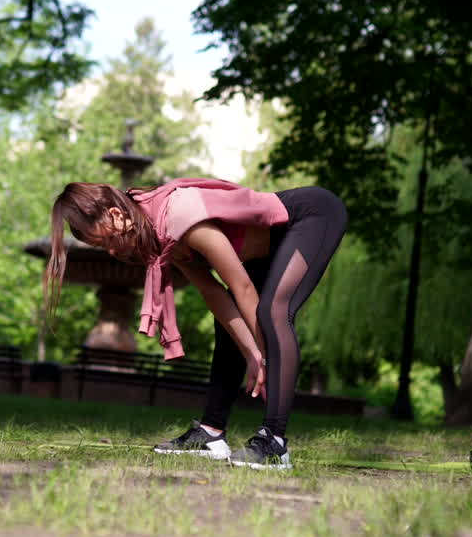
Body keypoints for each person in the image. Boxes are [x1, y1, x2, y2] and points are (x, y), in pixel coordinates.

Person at [45, 178, 347, 468]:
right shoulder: (157, 232)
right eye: (103, 248)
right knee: (227, 325)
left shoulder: (177, 214)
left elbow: (242, 288)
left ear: (115, 214)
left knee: (273, 314)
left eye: (107, 240)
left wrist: (264, 355)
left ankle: (275, 443)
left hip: (312, 217)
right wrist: (250, 352)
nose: (112, 251)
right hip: (269, 247)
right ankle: (211, 434)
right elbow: (212, 292)